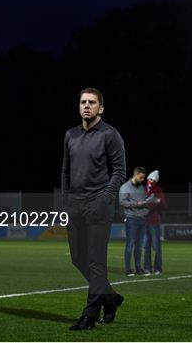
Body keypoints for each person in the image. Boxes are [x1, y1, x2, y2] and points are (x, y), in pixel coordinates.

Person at [61, 87, 127, 330]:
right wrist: (66, 202)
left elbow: (119, 171)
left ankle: (89, 316)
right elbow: (65, 171)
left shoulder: (111, 135)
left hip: (99, 205)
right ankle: (110, 298)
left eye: (91, 102)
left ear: (101, 108)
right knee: (79, 259)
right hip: (75, 205)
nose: (86, 106)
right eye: (82, 102)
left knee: (97, 261)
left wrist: (105, 198)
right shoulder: (70, 135)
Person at [119, 167, 151, 276]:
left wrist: (148, 207)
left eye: (143, 178)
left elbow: (144, 202)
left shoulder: (141, 188)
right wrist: (136, 204)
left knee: (139, 246)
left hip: (142, 220)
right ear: (135, 175)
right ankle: (127, 269)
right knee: (130, 244)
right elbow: (122, 202)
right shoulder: (125, 187)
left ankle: (138, 269)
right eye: (141, 177)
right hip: (131, 219)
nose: (142, 179)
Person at [143, 170, 167, 275]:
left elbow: (164, 205)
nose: (151, 181)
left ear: (156, 181)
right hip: (144, 221)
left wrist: (157, 202)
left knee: (156, 246)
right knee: (146, 246)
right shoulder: (142, 190)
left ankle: (158, 268)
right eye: (149, 179)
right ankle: (147, 268)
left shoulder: (158, 190)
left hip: (154, 221)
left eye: (153, 180)